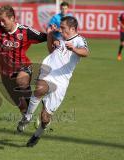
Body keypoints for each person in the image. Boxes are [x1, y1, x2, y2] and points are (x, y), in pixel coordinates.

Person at [17, 16, 89, 147]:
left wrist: (74, 49)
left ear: (72, 28)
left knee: (45, 117)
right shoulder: (61, 39)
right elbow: (50, 50)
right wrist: (50, 34)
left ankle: (38, 134)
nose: (61, 31)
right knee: (39, 89)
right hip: (48, 71)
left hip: (61, 81)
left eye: (63, 28)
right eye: (60, 28)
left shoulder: (79, 40)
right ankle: (27, 117)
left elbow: (85, 52)